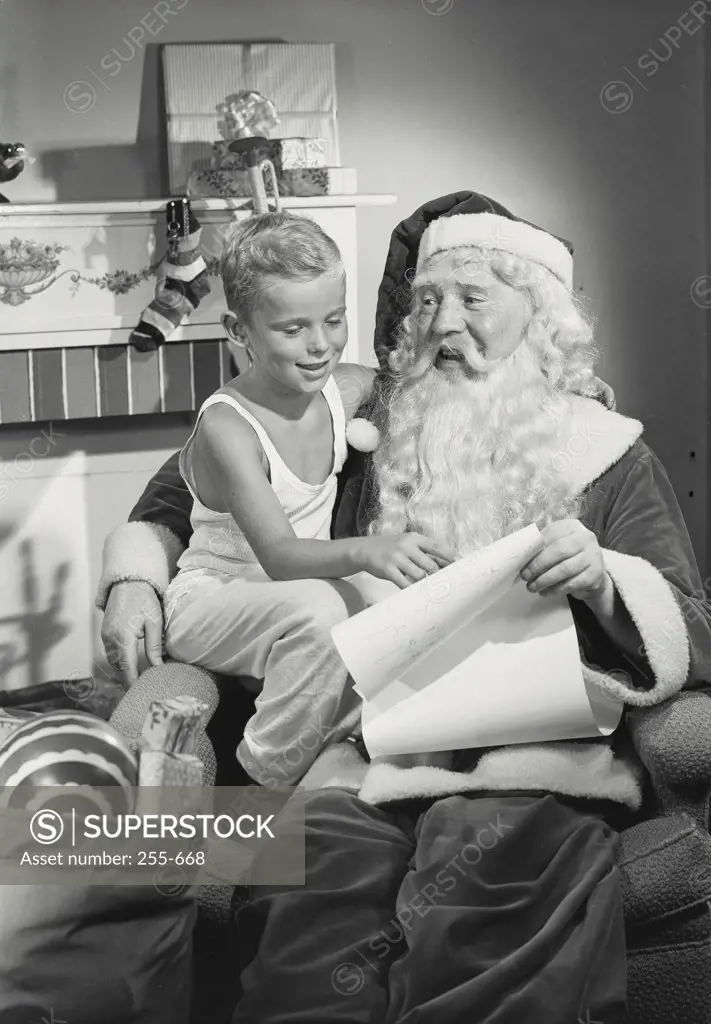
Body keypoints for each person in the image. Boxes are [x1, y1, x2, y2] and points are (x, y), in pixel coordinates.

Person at [98, 191, 711, 1022]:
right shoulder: (367, 416)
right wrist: (133, 574)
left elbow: (692, 628)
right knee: (308, 911)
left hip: (531, 763)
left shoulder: (608, 457)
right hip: (364, 751)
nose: (443, 324)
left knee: (489, 903)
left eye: (473, 300)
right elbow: (189, 488)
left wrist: (604, 579)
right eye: (428, 301)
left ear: (540, 320)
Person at [151, 210, 455, 786]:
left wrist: (560, 389)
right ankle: (258, 783)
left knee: (399, 603)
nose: (320, 346)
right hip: (212, 599)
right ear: (239, 331)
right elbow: (281, 557)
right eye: (292, 330)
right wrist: (369, 549)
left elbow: (411, 375)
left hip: (295, 594)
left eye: (333, 320)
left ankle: (358, 746)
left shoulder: (342, 389)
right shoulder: (228, 428)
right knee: (322, 613)